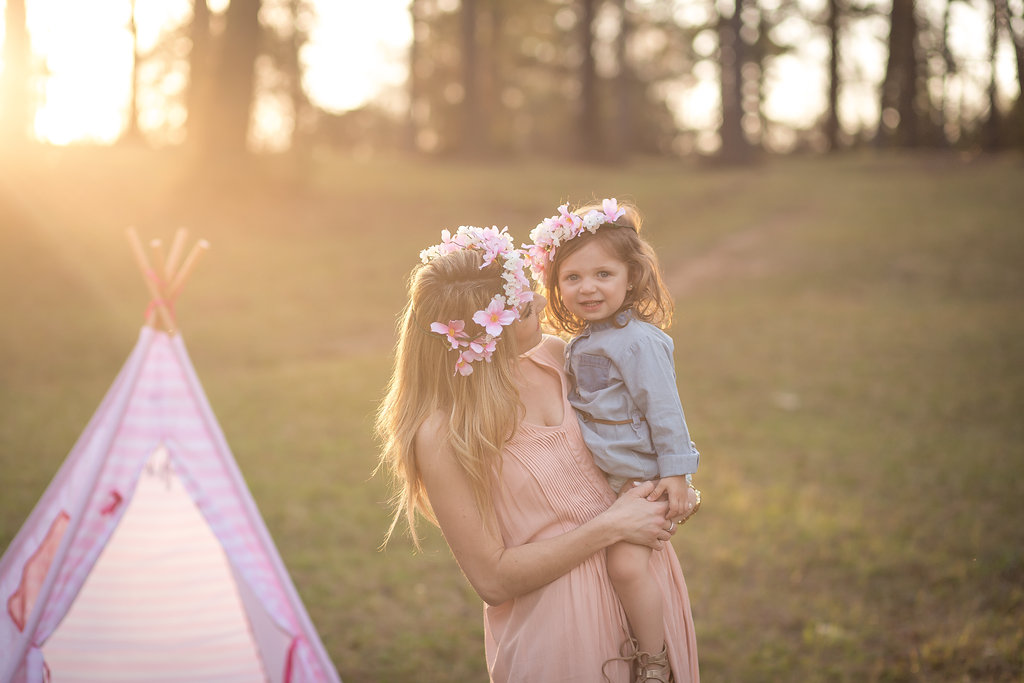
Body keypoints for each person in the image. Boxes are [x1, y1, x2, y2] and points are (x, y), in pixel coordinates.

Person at [376, 225, 699, 682]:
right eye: (526, 311)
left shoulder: (560, 357)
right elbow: (492, 579)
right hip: (561, 629)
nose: (545, 308)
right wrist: (610, 527)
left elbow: (641, 434)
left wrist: (673, 488)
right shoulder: (443, 431)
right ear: (480, 335)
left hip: (644, 589)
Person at [525, 198, 702, 682]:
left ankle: (653, 660)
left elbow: (665, 411)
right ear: (556, 287)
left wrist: (677, 475)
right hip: (603, 481)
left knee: (625, 569)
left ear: (632, 277)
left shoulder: (638, 341)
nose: (588, 288)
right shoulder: (584, 341)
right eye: (573, 278)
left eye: (603, 274)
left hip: (638, 482)